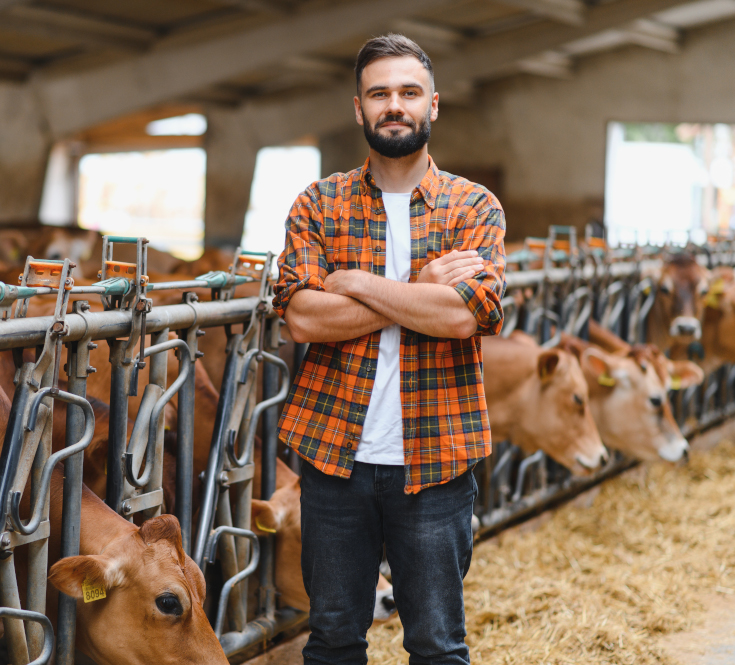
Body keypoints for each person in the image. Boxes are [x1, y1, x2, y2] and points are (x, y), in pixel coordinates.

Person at [271, 34, 507, 664]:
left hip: (438, 457)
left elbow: (464, 316)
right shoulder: (319, 204)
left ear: (434, 104)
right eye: (379, 94)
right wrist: (419, 287)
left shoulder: (473, 207)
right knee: (333, 642)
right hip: (334, 458)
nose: (394, 105)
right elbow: (302, 318)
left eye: (409, 92)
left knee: (436, 646)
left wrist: (362, 285)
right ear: (359, 109)